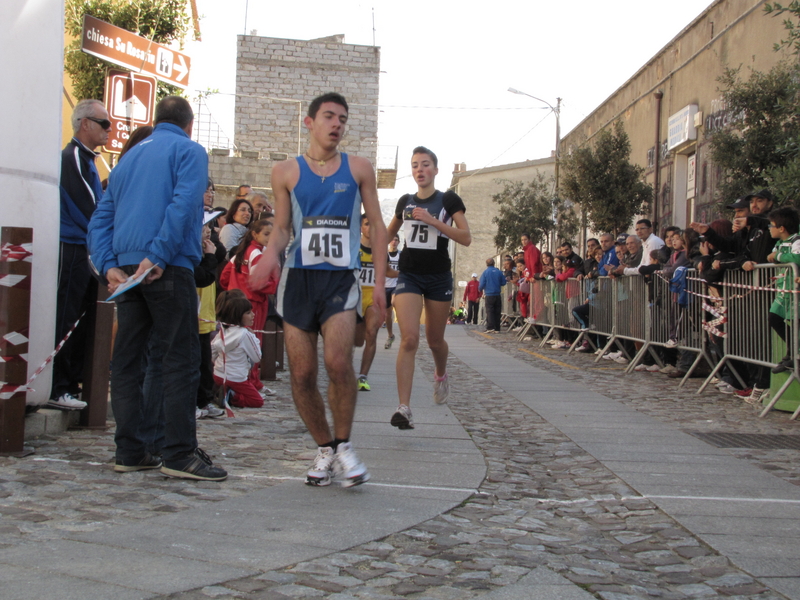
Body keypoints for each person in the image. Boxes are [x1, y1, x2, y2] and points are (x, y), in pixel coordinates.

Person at [87, 95, 227, 481]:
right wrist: (160, 255)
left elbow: (101, 216)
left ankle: (131, 450)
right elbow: (184, 206)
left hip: (127, 269)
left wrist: (108, 266)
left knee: (130, 362)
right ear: (189, 125)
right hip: (167, 266)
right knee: (179, 359)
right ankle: (178, 453)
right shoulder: (189, 150)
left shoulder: (128, 157)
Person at [250, 92, 386, 487]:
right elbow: (281, 230)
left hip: (339, 280)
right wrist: (267, 262)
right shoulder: (285, 172)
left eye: (342, 118)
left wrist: (378, 282)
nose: (337, 124)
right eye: (329, 116)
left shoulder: (359, 168)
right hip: (298, 280)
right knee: (303, 373)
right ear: (309, 122)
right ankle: (324, 447)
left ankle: (344, 446)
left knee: (339, 363)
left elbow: (375, 224)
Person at [383, 146, 471, 430]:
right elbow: (387, 233)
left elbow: (466, 237)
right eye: (415, 165)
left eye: (425, 165)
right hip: (409, 274)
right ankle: (404, 407)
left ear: (435, 169)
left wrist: (433, 221)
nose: (419, 170)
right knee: (409, 338)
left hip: (438, 276)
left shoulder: (448, 199)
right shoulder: (405, 201)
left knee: (434, 341)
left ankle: (441, 374)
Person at [50, 99, 111, 411]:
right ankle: (58, 385)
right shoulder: (72, 156)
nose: (109, 131)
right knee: (67, 315)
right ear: (84, 123)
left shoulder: (90, 160)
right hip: (72, 246)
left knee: (84, 318)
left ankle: (72, 383)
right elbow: (91, 208)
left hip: (86, 249)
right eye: (104, 124)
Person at [220, 219, 279, 398]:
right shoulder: (258, 254)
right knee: (253, 341)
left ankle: (239, 381)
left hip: (236, 300)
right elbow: (259, 282)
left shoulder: (240, 252)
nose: (270, 238)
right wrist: (274, 282)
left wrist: (233, 288)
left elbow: (225, 276)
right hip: (254, 303)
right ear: (255, 234)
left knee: (233, 341)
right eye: (266, 234)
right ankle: (251, 382)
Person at [356, 215, 398, 391]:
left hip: (372, 296)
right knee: (355, 340)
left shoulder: (380, 249)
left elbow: (388, 271)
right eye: (367, 224)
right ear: (360, 227)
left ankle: (363, 377)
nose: (370, 228)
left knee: (371, 334)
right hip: (353, 296)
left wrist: (405, 274)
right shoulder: (352, 247)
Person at [212, 291, 264, 408]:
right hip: (236, 378)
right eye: (248, 313)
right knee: (257, 401)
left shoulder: (223, 330)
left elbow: (213, 349)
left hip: (218, 374)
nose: (253, 315)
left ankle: (221, 390)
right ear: (238, 316)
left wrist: (216, 364)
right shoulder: (245, 335)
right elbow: (257, 357)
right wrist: (254, 338)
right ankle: (232, 396)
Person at [767, 207, 800, 379]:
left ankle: (794, 355)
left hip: (795, 291)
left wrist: (778, 256)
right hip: (783, 290)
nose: (769, 229)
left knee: (796, 323)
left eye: (770, 226)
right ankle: (792, 352)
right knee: (774, 318)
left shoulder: (797, 240)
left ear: (781, 228)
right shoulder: (779, 243)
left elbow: (797, 259)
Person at [480, 258, 506, 334]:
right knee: (497, 311)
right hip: (497, 294)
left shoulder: (485, 272)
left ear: (486, 264)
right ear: (494, 263)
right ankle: (497, 328)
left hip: (489, 294)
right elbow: (503, 282)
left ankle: (490, 327)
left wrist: (480, 289)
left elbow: (481, 284)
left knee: (490, 311)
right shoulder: (499, 272)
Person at [384, 234, 401, 348]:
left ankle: (405, 333)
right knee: (388, 314)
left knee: (395, 302)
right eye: (392, 240)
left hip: (397, 284)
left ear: (399, 242)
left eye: (396, 240)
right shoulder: (384, 254)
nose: (394, 242)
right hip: (385, 285)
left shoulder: (401, 255)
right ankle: (390, 335)